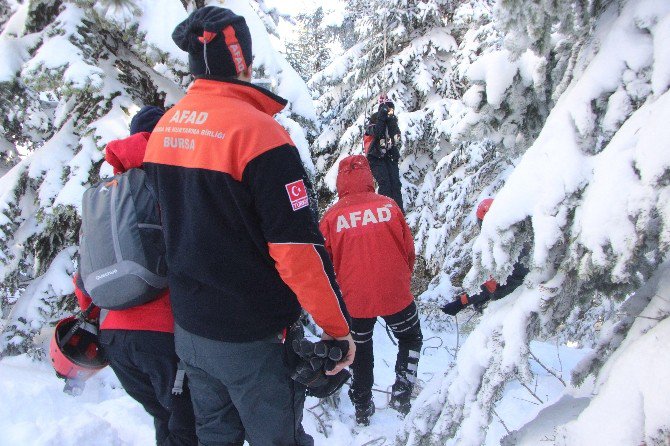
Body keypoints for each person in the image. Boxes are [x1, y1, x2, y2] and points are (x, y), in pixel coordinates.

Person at [143, 7, 354, 446]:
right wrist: (337, 329)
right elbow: (296, 250)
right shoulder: (261, 135)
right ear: (242, 60)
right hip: (250, 338)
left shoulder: (165, 129)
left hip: (191, 329)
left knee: (215, 436)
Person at [74, 105, 198, 446]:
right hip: (166, 336)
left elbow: (83, 273)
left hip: (116, 339)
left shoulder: (106, 194)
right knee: (191, 429)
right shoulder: (172, 184)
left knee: (167, 420)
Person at [319, 155, 422, 425]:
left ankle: (363, 408)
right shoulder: (389, 206)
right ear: (369, 177)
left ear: (341, 181)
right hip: (395, 294)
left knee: (360, 351)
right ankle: (402, 394)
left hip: (354, 302)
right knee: (411, 338)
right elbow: (409, 251)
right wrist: (399, 281)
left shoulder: (331, 217)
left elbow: (323, 266)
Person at [441, 198, 530, 316]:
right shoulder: (519, 234)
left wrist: (460, 303)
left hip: (512, 302)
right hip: (523, 293)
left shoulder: (502, 248)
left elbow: (489, 285)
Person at [365, 94, 404, 213]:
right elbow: (376, 133)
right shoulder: (373, 120)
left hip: (389, 155)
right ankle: (385, 212)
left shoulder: (392, 120)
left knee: (395, 184)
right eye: (387, 108)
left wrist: (391, 120)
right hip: (375, 156)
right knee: (385, 184)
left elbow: (396, 137)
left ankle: (399, 212)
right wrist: (382, 117)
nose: (389, 111)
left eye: (391, 109)